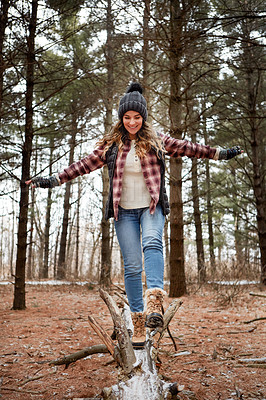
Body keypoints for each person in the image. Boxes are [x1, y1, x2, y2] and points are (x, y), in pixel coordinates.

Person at [26, 82, 242, 349]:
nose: (131, 122)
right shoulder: (111, 145)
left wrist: (220, 154)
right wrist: (53, 180)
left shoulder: (157, 142)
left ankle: (155, 303)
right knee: (131, 266)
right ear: (121, 118)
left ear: (144, 118)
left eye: (137, 117)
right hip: (124, 212)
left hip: (151, 207)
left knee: (152, 242)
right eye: (127, 117)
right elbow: (82, 166)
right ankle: (137, 321)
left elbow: (189, 148)